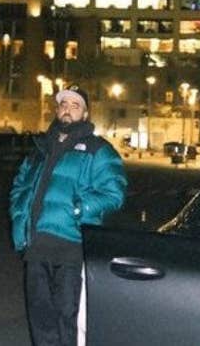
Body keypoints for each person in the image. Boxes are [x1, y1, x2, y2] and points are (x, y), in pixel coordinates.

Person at [9, 84, 127, 346]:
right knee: (41, 320)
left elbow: (114, 193)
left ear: (85, 114)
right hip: (36, 248)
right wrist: (19, 215)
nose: (67, 110)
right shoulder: (40, 148)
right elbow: (19, 186)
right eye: (64, 104)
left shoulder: (98, 150)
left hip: (71, 249)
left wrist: (79, 208)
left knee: (69, 321)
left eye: (75, 106)